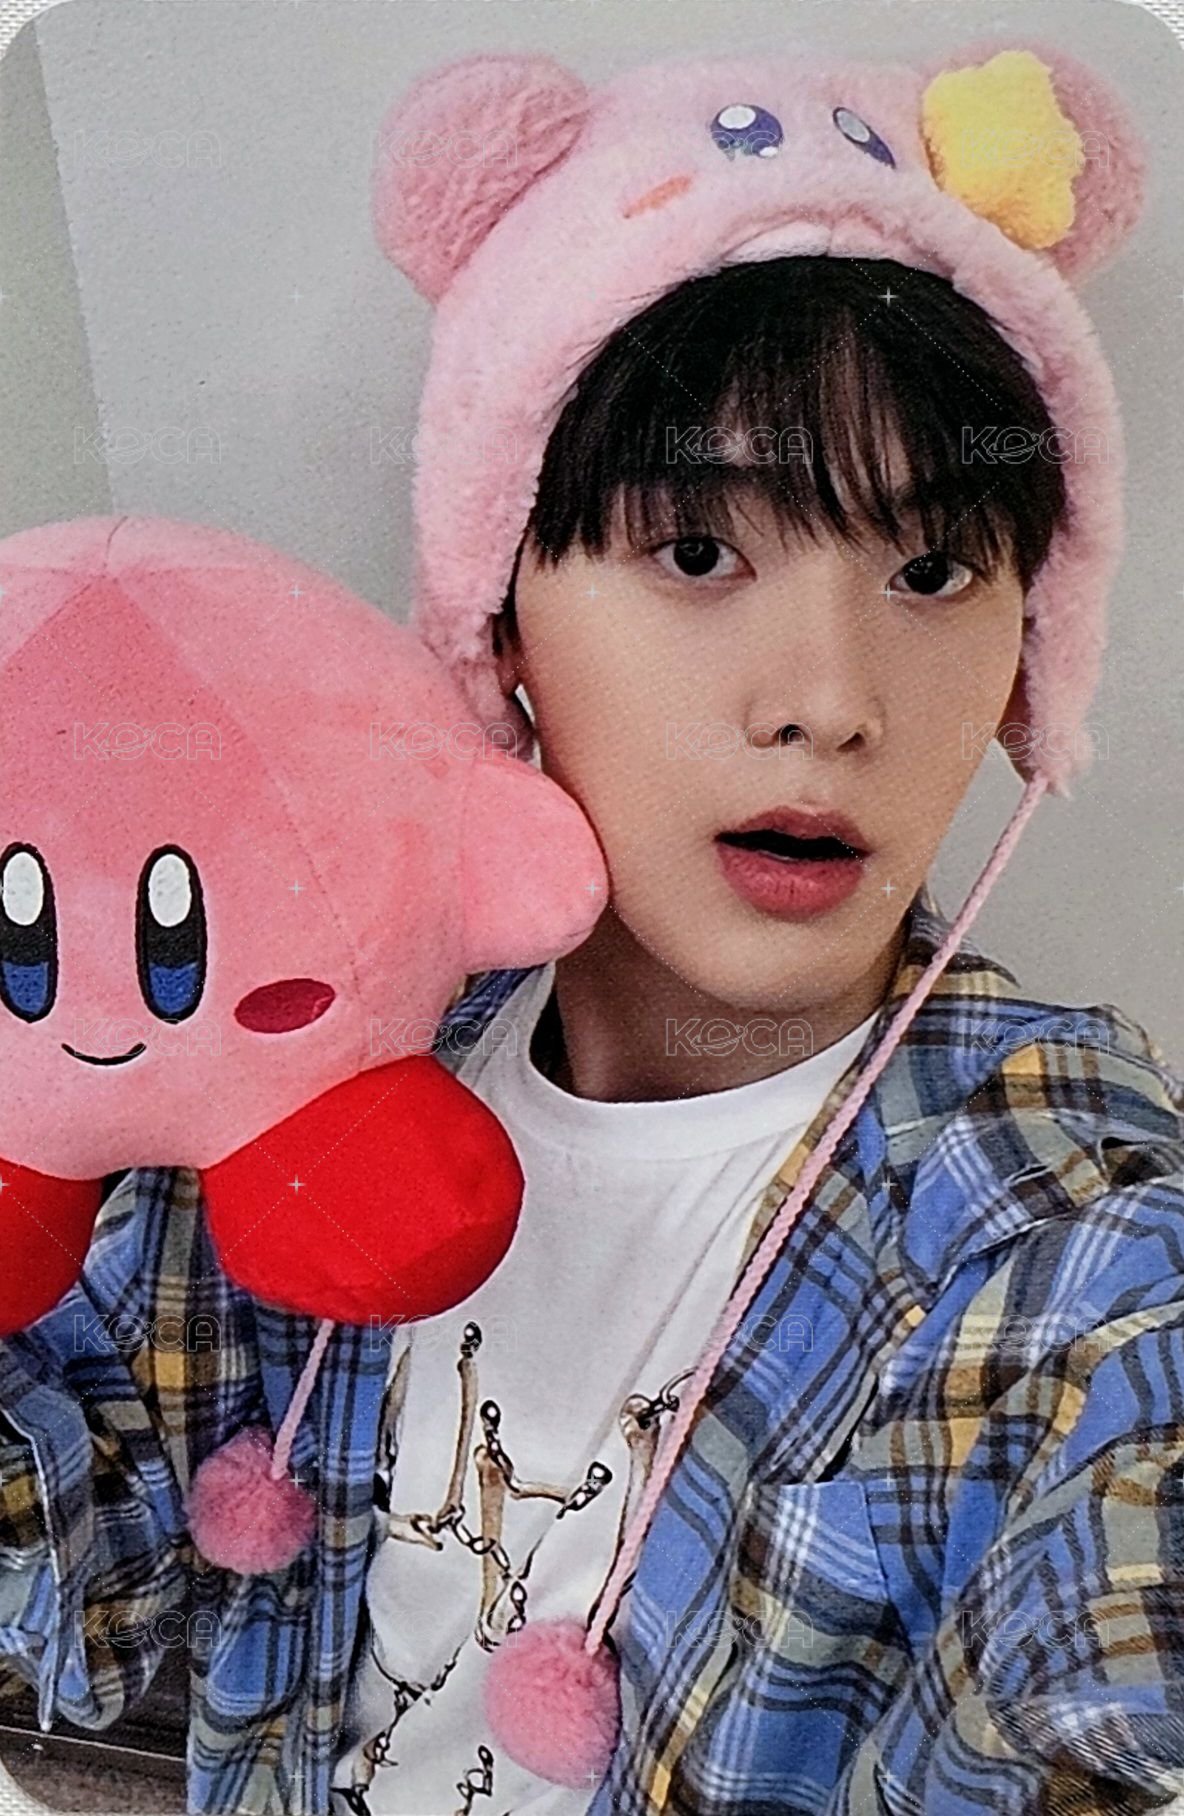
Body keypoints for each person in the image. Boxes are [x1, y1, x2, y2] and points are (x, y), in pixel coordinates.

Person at [3, 36, 1183, 1816]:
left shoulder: (1046, 1209)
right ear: (501, 623)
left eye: (936, 571)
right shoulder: (316, 1051)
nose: (829, 701)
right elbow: (86, 1570)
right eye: (697, 553)